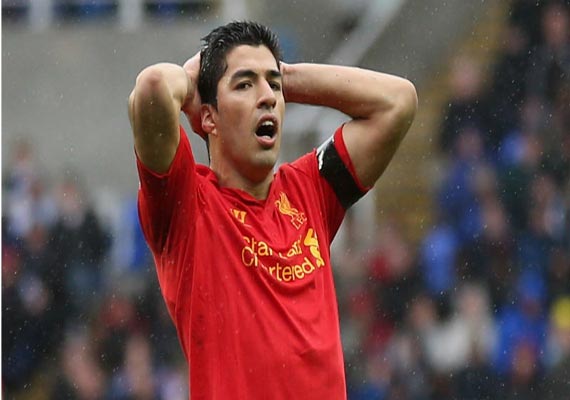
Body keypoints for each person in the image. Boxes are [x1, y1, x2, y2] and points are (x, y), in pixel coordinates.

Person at [128, 20, 417, 399]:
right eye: (244, 85)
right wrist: (192, 78)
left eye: (273, 86)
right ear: (209, 117)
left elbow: (398, 101)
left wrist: (287, 78)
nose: (266, 97)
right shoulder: (187, 206)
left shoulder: (311, 190)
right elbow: (153, 87)